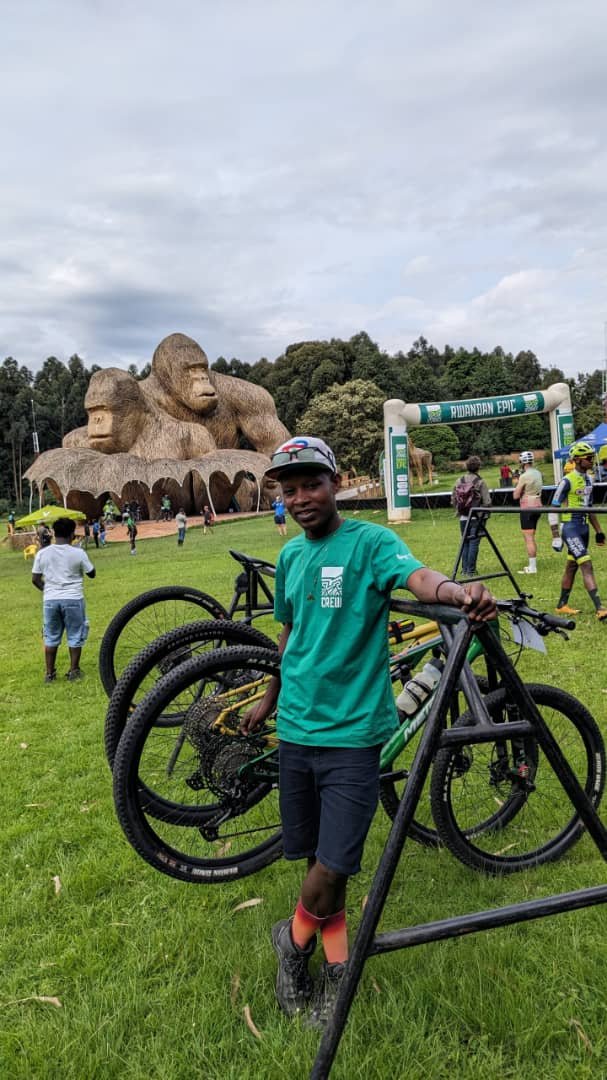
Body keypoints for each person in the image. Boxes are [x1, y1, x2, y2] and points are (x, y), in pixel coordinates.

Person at [240, 436, 496, 1028]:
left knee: (334, 865)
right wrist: (269, 698)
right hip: (296, 729)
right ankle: (335, 966)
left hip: (355, 735)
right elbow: (290, 636)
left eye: (312, 484)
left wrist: (458, 592)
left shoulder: (370, 542)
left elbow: (418, 578)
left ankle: (293, 942)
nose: (302, 498)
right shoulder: (291, 559)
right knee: (315, 862)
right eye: (290, 489)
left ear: (335, 484)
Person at [31, 516, 96, 682]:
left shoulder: (42, 553)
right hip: (74, 598)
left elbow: (35, 579)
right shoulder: (78, 552)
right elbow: (92, 573)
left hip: (51, 600)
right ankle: (74, 671)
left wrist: (49, 590)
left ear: (53, 533)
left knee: (51, 636)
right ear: (72, 534)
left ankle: (49, 674)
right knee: (75, 634)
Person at [551, 442, 607, 620]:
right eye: (588, 458)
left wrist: (599, 531)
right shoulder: (567, 480)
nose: (592, 461)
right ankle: (600, 608)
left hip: (584, 528)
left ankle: (562, 605)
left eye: (592, 457)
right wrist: (555, 537)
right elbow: (552, 508)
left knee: (572, 566)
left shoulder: (590, 479)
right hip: (571, 528)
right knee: (586, 564)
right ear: (577, 460)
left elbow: (590, 508)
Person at [451, 456, 491, 578]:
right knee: (474, 543)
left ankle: (464, 570)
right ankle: (471, 571)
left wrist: (459, 510)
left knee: (465, 542)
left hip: (463, 517)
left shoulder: (459, 480)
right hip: (476, 518)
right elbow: (487, 502)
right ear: (478, 467)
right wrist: (485, 515)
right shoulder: (480, 482)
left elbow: (453, 499)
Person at [513, 451, 544, 574]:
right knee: (532, 536)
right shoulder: (538, 473)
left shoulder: (524, 476)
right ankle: (532, 564)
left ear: (522, 462)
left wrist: (516, 487)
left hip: (527, 507)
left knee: (528, 538)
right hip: (538, 505)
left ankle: (532, 567)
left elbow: (516, 495)